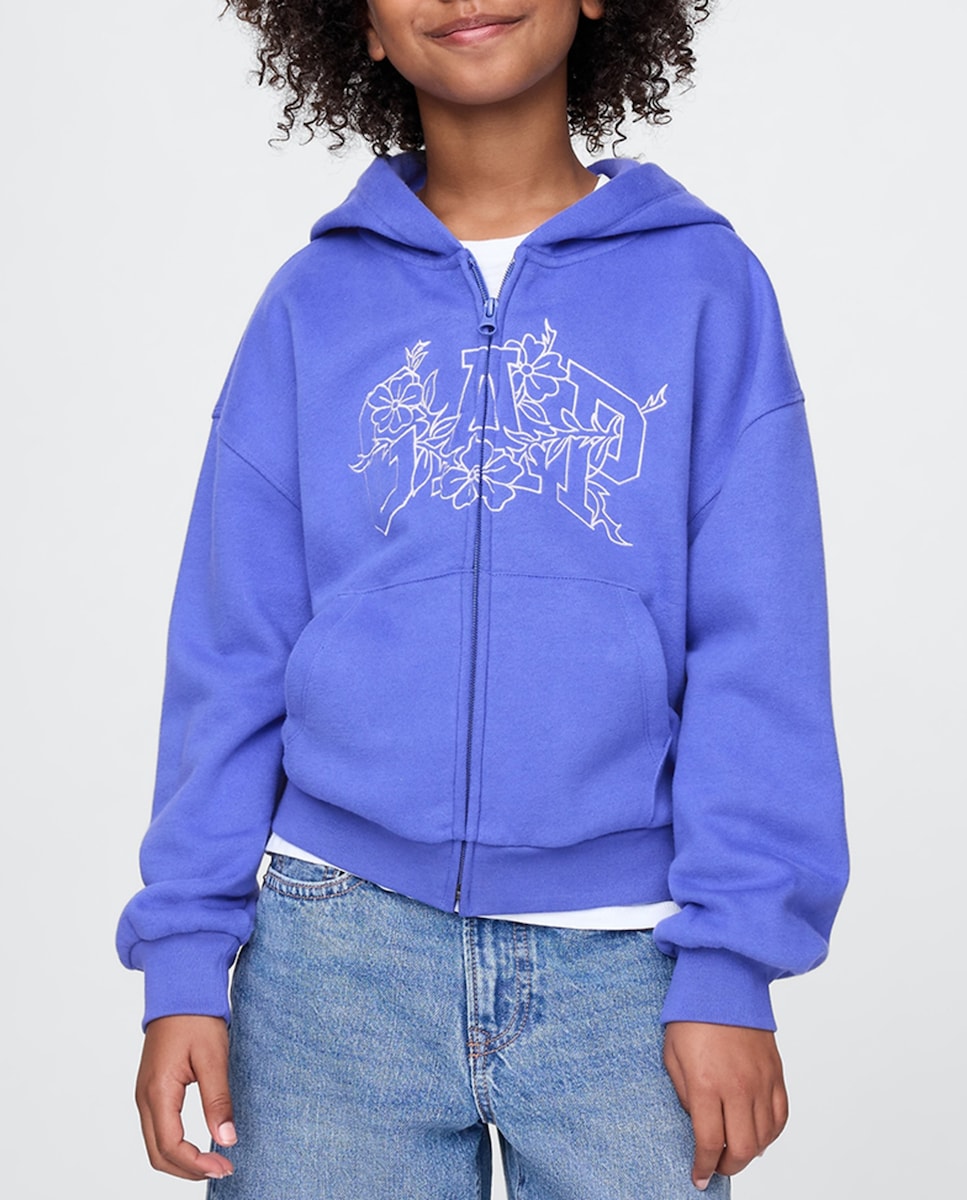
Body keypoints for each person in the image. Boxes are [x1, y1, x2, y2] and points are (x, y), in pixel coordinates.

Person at [116, 1, 849, 1196]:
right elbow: (231, 646)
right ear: (357, 24)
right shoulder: (311, 304)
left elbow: (757, 647)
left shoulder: (705, 288)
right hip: (331, 957)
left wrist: (731, 962)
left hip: (631, 964)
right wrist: (184, 955)